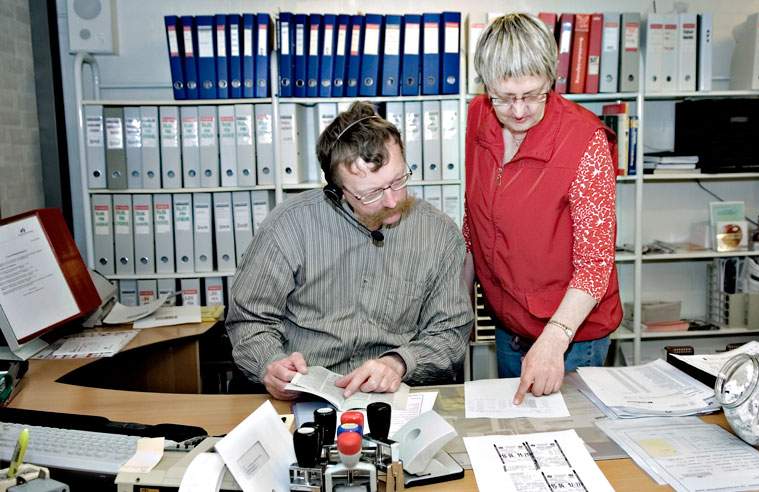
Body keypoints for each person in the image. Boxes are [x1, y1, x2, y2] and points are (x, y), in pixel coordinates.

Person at [226, 101, 473, 400]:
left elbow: (450, 333)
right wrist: (270, 365)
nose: (392, 200)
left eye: (398, 181)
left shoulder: (438, 234)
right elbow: (250, 319)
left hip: (390, 396)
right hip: (302, 395)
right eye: (371, 193)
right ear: (337, 192)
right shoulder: (288, 226)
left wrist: (399, 363)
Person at [464, 13, 623, 405]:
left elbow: (594, 265)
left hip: (572, 334)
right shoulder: (477, 118)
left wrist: (555, 339)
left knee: (570, 444)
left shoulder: (584, 142)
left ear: (551, 80)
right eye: (503, 97)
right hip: (509, 323)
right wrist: (458, 307)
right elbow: (474, 224)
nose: (518, 111)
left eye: (532, 95)